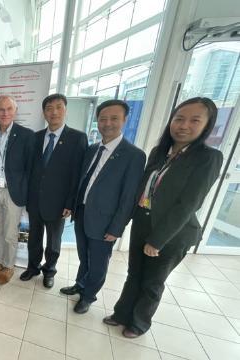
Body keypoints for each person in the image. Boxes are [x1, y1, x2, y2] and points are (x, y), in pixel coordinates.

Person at [104, 97, 223, 338]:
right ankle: (122, 313)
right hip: (143, 221)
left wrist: (158, 240)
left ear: (207, 125)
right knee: (134, 273)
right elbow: (143, 189)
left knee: (153, 281)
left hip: (173, 233)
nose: (184, 125)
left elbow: (189, 203)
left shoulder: (208, 158)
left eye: (194, 120)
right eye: (179, 119)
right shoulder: (160, 152)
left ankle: (139, 323)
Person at [60, 100, 146, 314]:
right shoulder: (91, 149)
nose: (107, 123)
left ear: (124, 120)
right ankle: (80, 284)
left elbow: (128, 197)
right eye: (103, 118)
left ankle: (88, 296)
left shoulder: (133, 155)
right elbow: (81, 181)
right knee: (84, 256)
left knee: (98, 262)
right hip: (82, 213)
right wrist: (72, 206)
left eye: (114, 118)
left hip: (105, 220)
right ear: (97, 121)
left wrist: (117, 228)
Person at [21, 93, 88, 288]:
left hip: (59, 203)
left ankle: (49, 270)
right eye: (49, 108)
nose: (54, 112)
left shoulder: (77, 138)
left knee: (53, 242)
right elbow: (30, 170)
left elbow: (77, 175)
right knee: (33, 238)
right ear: (44, 113)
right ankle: (32, 267)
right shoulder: (36, 137)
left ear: (65, 110)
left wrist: (70, 203)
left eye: (58, 107)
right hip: (34, 200)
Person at [0, 95, 35, 284]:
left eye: (9, 109)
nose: (5, 113)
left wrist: (27, 194)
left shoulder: (26, 135)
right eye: (1, 109)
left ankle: (9, 266)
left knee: (9, 233)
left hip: (13, 191)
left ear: (15, 111)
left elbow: (30, 168)